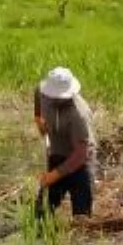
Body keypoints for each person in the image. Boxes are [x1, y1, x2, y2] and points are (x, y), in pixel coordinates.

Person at [34, 67, 97, 218]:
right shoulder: (42, 94)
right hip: (56, 153)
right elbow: (37, 103)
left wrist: (53, 176)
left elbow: (80, 154)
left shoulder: (79, 114)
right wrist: (38, 120)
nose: (54, 99)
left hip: (81, 163)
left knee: (81, 217)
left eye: (59, 97)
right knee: (41, 213)